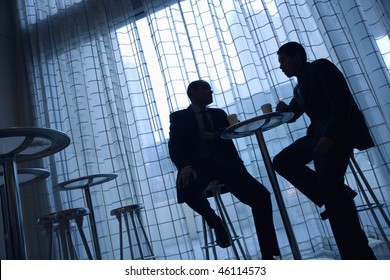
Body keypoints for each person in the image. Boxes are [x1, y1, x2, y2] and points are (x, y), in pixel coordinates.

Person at [273, 41, 376, 259]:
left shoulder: (320, 67)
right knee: (281, 161)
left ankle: (358, 255)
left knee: (332, 191)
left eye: (283, 60)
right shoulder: (299, 87)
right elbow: (293, 114)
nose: (281, 66)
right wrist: (284, 111)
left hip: (337, 133)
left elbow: (342, 102)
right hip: (316, 136)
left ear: (298, 56)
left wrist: (331, 135)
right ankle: (337, 194)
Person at [168, 80, 280, 260]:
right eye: (206, 89)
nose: (211, 92)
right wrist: (185, 167)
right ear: (194, 93)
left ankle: (268, 254)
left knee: (262, 196)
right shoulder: (179, 117)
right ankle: (215, 222)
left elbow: (230, 132)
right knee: (185, 185)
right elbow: (175, 146)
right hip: (199, 167)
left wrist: (214, 135)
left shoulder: (219, 113)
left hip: (227, 164)